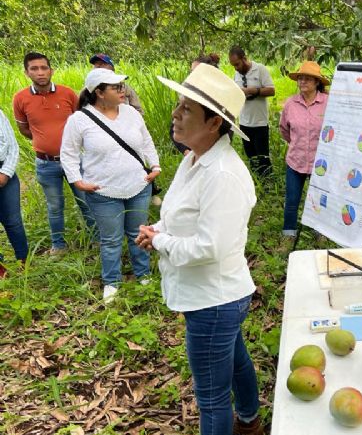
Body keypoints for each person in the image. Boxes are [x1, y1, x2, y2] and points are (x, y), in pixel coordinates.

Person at [135, 64, 264, 435]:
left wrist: (161, 242)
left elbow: (210, 246)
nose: (176, 114)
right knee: (236, 359)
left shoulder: (222, 174)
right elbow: (179, 216)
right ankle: (250, 421)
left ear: (214, 123)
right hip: (216, 295)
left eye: (186, 109)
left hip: (214, 299)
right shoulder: (196, 159)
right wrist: (156, 229)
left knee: (210, 398)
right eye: (179, 105)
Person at [60, 68, 160, 302]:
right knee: (111, 239)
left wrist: (155, 166)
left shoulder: (131, 113)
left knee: (139, 233)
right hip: (103, 191)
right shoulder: (79, 120)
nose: (122, 90)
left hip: (138, 185)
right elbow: (69, 153)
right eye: (116, 87)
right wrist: (77, 181)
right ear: (100, 93)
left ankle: (143, 274)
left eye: (122, 86)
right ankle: (112, 281)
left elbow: (146, 141)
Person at [13, 52, 95, 254]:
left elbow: (81, 122)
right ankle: (58, 246)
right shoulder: (20, 98)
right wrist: (46, 141)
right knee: (55, 206)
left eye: (44, 68)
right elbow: (25, 130)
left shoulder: (67, 94)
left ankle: (98, 240)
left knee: (86, 201)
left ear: (51, 70)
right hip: (46, 163)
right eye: (34, 68)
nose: (40, 73)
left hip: (74, 160)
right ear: (26, 72)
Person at [279, 61, 330, 237]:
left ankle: (320, 233)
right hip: (296, 160)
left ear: (317, 82)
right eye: (300, 78)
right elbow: (284, 129)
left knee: (320, 200)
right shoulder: (290, 104)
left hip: (320, 162)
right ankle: (288, 234)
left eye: (307, 79)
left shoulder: (328, 103)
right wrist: (297, 143)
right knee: (292, 200)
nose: (302, 82)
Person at [228, 45, 275, 177]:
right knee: (251, 158)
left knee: (263, 158)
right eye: (233, 65)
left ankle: (267, 184)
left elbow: (271, 90)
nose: (236, 68)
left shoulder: (260, 69)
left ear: (244, 58)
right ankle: (255, 183)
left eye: (237, 64)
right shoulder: (236, 74)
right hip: (244, 123)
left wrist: (253, 91)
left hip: (260, 122)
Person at [171, 53, 222, 156]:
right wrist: (187, 152)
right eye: (191, 72)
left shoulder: (217, 100)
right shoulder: (185, 95)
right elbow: (173, 128)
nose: (175, 113)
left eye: (187, 108)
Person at [0, 109, 29, 278]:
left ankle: (23, 260)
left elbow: (12, 145)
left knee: (13, 221)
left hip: (4, 171)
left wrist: (6, 173)